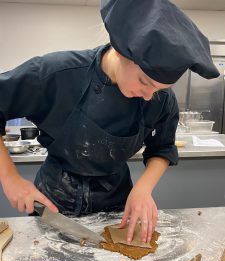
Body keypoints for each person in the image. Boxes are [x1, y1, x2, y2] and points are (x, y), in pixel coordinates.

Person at [0, 0, 219, 244]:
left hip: (116, 206)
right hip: (53, 203)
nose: (149, 96)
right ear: (120, 51)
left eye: (159, 89)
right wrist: (10, 178)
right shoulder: (56, 75)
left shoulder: (160, 99)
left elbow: (163, 148)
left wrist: (143, 189)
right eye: (145, 82)